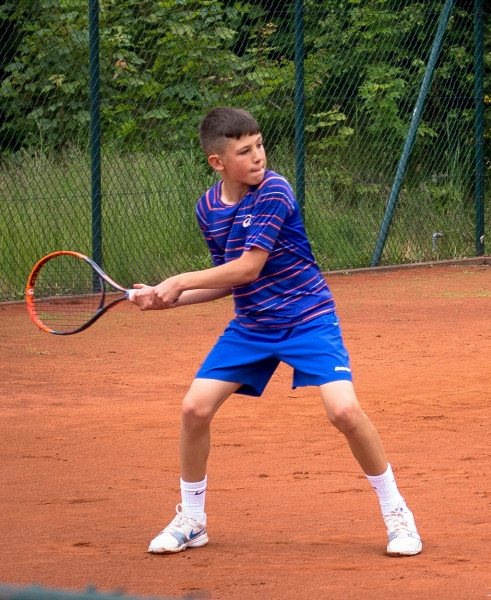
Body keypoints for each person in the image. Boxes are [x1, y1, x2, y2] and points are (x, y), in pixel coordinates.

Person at [131, 106, 421, 557]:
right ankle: (192, 520)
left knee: (344, 412)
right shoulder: (207, 209)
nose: (258, 156)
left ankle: (397, 513)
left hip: (307, 317)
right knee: (193, 409)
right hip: (251, 326)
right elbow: (226, 281)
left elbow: (248, 268)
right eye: (244, 151)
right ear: (217, 162)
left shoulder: (274, 190)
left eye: (260, 145)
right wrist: (162, 300)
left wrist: (177, 281)